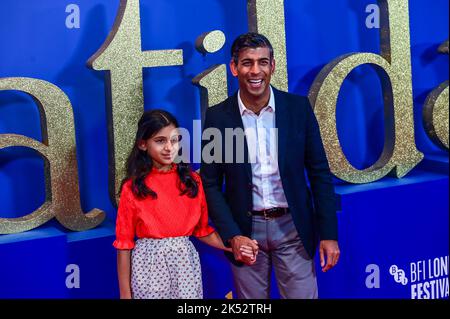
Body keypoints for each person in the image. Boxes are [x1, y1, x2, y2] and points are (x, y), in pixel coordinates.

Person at [200, 32, 340, 299]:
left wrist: (329, 234)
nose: (256, 70)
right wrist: (232, 235)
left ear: (272, 66)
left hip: (293, 228)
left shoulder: (297, 109)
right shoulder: (218, 118)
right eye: (247, 63)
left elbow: (319, 172)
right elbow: (211, 183)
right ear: (234, 67)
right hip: (245, 232)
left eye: (263, 62)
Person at [113, 109, 256, 299]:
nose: (169, 148)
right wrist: (125, 294)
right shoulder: (132, 188)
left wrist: (235, 245)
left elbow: (202, 231)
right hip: (148, 268)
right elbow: (124, 245)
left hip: (185, 267)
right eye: (160, 141)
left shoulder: (192, 181)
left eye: (174, 140)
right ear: (142, 144)